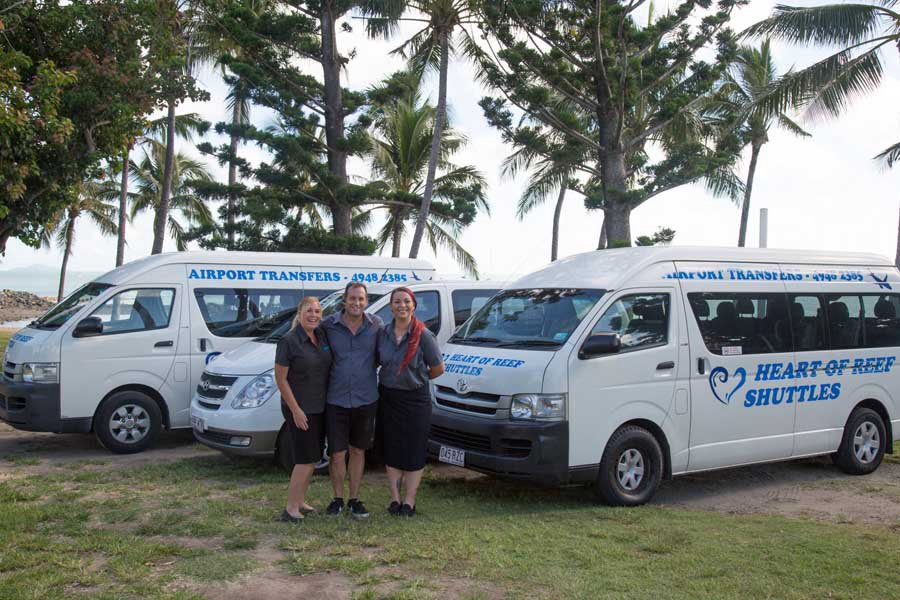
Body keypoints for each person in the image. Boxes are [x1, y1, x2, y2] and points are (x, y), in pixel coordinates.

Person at [377, 287, 445, 517]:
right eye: (397, 302)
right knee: (392, 449)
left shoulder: (423, 335)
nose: (401, 305)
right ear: (390, 306)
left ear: (413, 305)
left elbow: (437, 368)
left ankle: (409, 501)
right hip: (388, 398)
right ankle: (395, 499)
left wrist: (417, 378)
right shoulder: (383, 333)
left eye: (406, 301)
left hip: (416, 399)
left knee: (414, 450)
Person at [321, 282, 383, 518]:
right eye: (352, 298)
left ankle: (355, 499)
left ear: (366, 301)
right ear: (344, 301)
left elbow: (382, 355)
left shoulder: (376, 325)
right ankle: (337, 499)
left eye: (361, 299)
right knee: (336, 453)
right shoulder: (328, 325)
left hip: (365, 398)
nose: (356, 303)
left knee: (358, 451)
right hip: (335, 398)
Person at [274, 296, 332, 523]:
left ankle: (300, 501)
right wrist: (296, 410)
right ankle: (290, 509)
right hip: (300, 408)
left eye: (317, 311)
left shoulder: (320, 336)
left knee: (313, 457)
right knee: (304, 459)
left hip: (318, 406)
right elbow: (281, 380)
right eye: (309, 311)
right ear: (299, 313)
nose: (314, 315)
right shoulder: (288, 341)